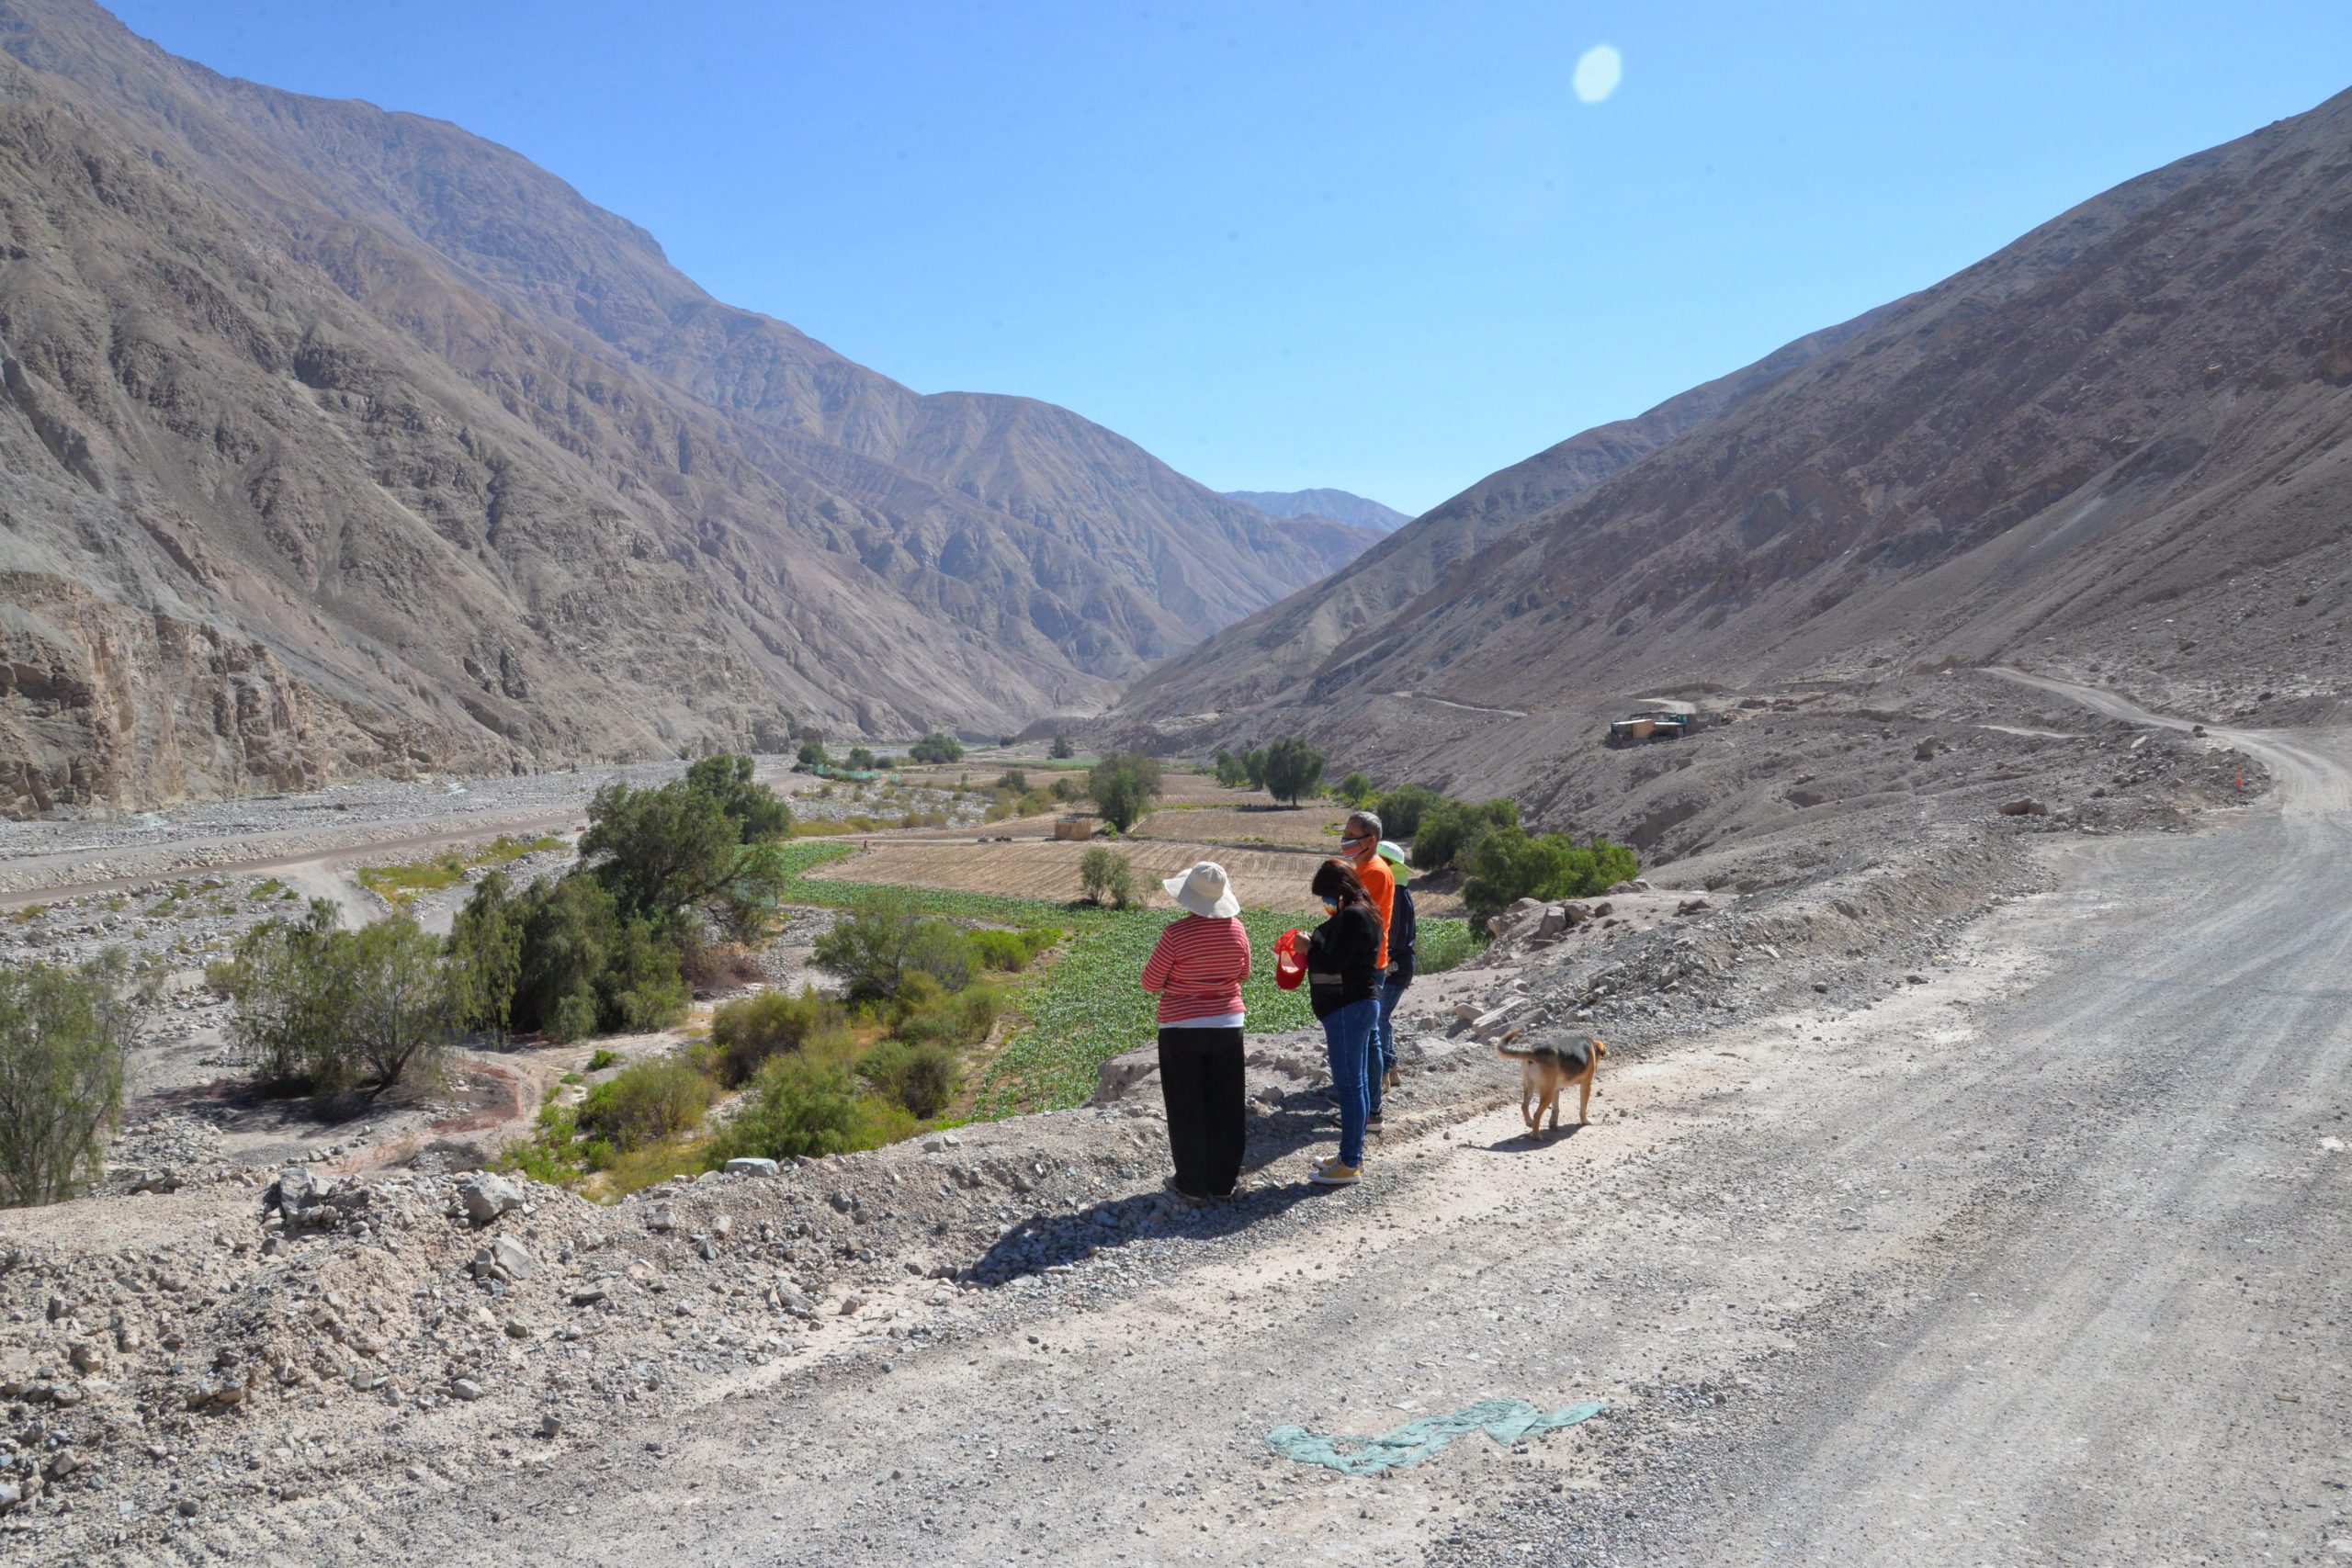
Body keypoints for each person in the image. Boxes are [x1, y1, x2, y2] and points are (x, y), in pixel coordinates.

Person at [1140, 862, 1253, 1200]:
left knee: (1186, 1105)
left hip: (1181, 1027)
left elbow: (1150, 983)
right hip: (1228, 1024)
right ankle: (1223, 1182)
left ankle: (1191, 1184)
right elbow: (1243, 974)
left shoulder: (1175, 934)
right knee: (1227, 1103)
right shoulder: (1238, 930)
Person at [1306, 858, 1382, 1187]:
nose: (1325, 903)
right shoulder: (1368, 911)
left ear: (1339, 890)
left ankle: (1350, 1162)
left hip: (1349, 1007)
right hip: (1361, 1005)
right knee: (1358, 1085)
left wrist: (1308, 948)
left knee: (1350, 1088)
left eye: (1326, 895)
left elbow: (1335, 962)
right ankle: (1350, 1154)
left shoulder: (1353, 916)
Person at [1370, 840, 1417, 1101]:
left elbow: (1395, 936)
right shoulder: (1400, 892)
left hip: (1394, 966)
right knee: (1382, 1017)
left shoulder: (1396, 895)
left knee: (1380, 1018)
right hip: (1399, 965)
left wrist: (1385, 962)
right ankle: (1392, 1070)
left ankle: (1384, 1072)